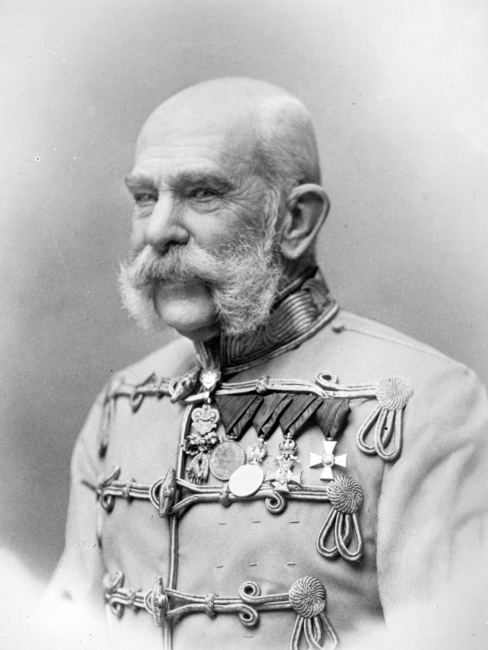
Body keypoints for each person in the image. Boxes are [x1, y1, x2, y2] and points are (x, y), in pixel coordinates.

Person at [48, 78, 488, 650]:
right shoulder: (122, 403)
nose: (158, 230)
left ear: (295, 220)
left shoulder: (426, 404)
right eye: (145, 198)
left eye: (203, 193)